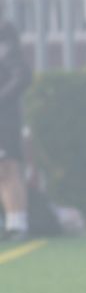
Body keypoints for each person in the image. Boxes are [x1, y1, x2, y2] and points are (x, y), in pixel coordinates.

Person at [0, 21, 29, 240]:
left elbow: (22, 79)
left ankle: (17, 224)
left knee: (7, 170)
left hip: (4, 122)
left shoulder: (8, 51)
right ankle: (13, 222)